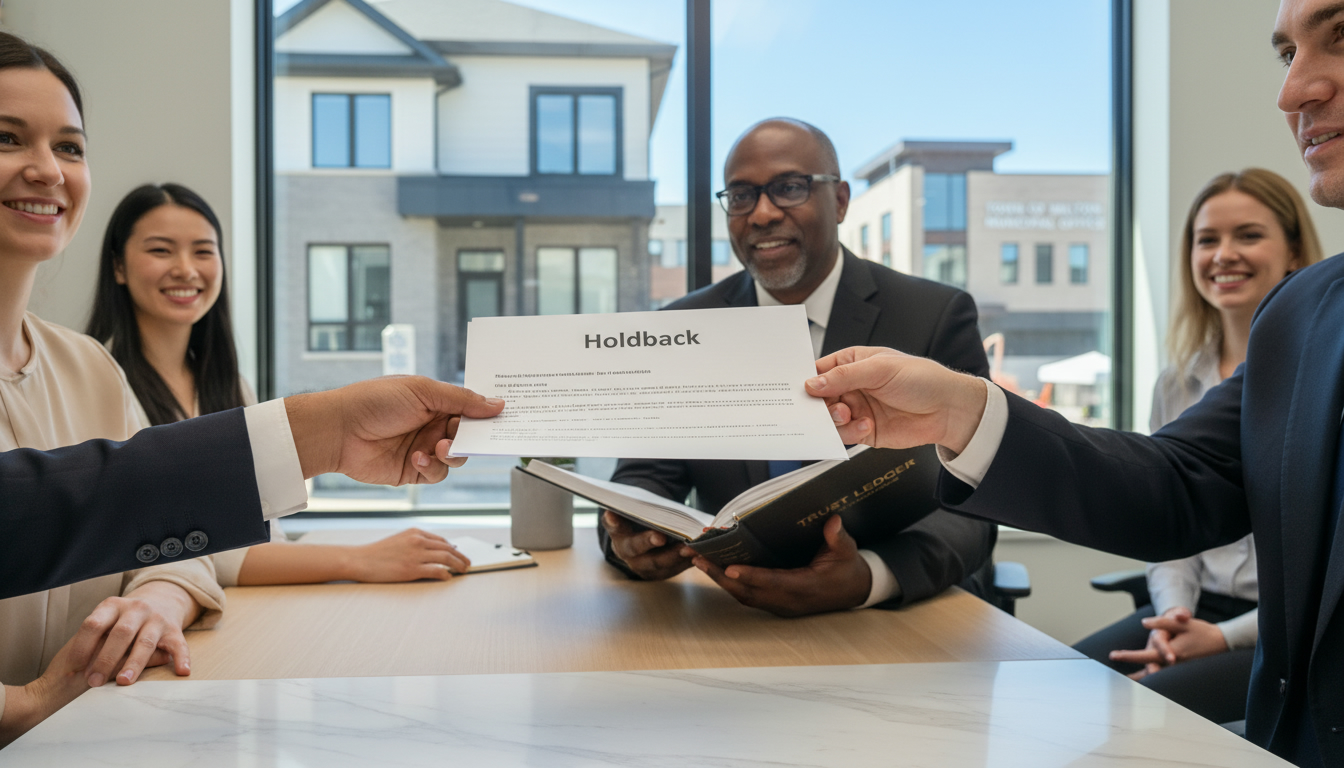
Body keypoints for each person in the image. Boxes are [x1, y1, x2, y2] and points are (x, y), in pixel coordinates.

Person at [807, 4, 1344, 759]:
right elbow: (1177, 484)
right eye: (1286, 54)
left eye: (1341, 35)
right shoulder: (1302, 318)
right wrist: (964, 411)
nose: (1292, 91)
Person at [0, 33, 501, 745]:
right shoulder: (115, 365)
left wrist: (162, 595)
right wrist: (27, 704)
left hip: (102, 732)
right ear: (119, 266)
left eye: (70, 147)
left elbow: (158, 532)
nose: (48, 169)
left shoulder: (87, 369)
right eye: (6, 138)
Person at [598, 118, 995, 616]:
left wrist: (870, 577)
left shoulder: (933, 317)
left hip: (897, 620)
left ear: (841, 201)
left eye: (789, 188)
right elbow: (644, 477)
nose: (762, 213)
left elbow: (977, 504)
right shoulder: (682, 327)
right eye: (741, 196)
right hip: (733, 616)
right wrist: (632, 537)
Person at [86, 183, 471, 585]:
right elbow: (174, 546)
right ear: (118, 266)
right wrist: (359, 560)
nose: (186, 269)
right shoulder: (97, 382)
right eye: (161, 250)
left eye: (203, 251)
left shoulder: (230, 386)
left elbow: (262, 532)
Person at [1070, 169, 1323, 724]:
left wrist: (1220, 637)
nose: (1223, 254)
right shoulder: (1176, 382)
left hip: (1287, 628)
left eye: (1248, 235)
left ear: (1294, 251)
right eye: (1207, 239)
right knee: (1055, 681)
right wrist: (1175, 618)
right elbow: (1169, 526)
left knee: (1138, 712)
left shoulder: (1325, 379)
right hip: (1193, 607)